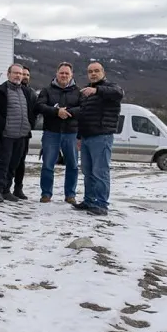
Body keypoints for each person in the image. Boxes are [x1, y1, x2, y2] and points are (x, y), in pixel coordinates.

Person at [74, 61, 124, 216]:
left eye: (96, 71)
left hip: (102, 137)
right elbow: (82, 116)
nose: (93, 74)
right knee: (88, 172)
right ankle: (89, 201)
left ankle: (101, 204)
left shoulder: (110, 88)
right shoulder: (86, 93)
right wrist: (79, 137)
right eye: (90, 71)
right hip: (87, 137)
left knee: (100, 172)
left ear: (103, 73)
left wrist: (97, 90)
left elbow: (119, 93)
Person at [35, 62, 82, 203]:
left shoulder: (78, 92)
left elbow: (84, 108)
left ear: (71, 75)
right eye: (61, 73)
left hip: (71, 133)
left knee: (72, 165)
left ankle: (70, 195)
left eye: (67, 73)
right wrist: (56, 111)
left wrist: (68, 112)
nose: (64, 75)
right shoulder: (47, 90)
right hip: (51, 132)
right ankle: (46, 194)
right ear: (57, 74)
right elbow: (39, 106)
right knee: (48, 165)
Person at [0, 64, 32, 202]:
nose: (18, 76)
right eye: (15, 73)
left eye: (20, 73)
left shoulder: (25, 92)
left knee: (14, 164)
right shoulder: (1, 91)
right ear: (8, 74)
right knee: (3, 163)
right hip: (7, 134)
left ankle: (6, 190)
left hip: (22, 135)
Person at [11, 66, 38, 200]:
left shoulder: (32, 92)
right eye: (23, 74)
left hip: (25, 131)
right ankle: (5, 187)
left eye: (27, 74)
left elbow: (35, 111)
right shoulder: (13, 90)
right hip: (12, 131)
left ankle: (18, 188)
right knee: (10, 160)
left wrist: (30, 125)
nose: (25, 77)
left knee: (21, 161)